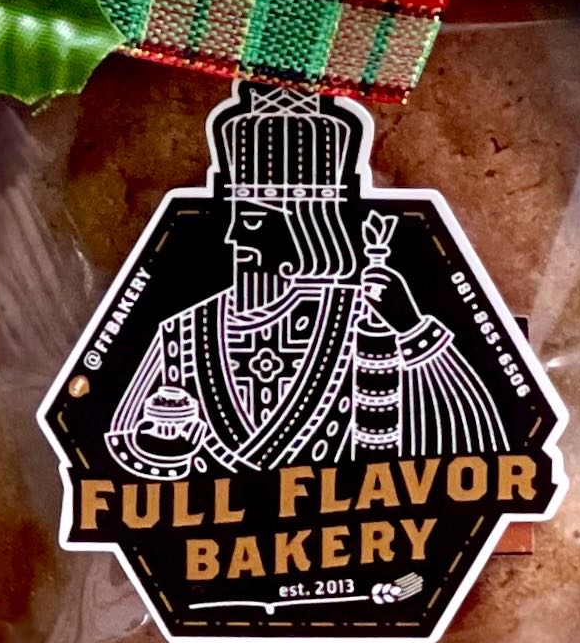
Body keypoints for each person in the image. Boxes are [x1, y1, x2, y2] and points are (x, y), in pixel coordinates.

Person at [104, 83, 514, 480]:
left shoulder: (367, 320)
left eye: (252, 221)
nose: (232, 237)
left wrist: (413, 330)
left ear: (305, 228)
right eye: (235, 220)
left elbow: (484, 438)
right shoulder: (183, 335)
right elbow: (113, 447)